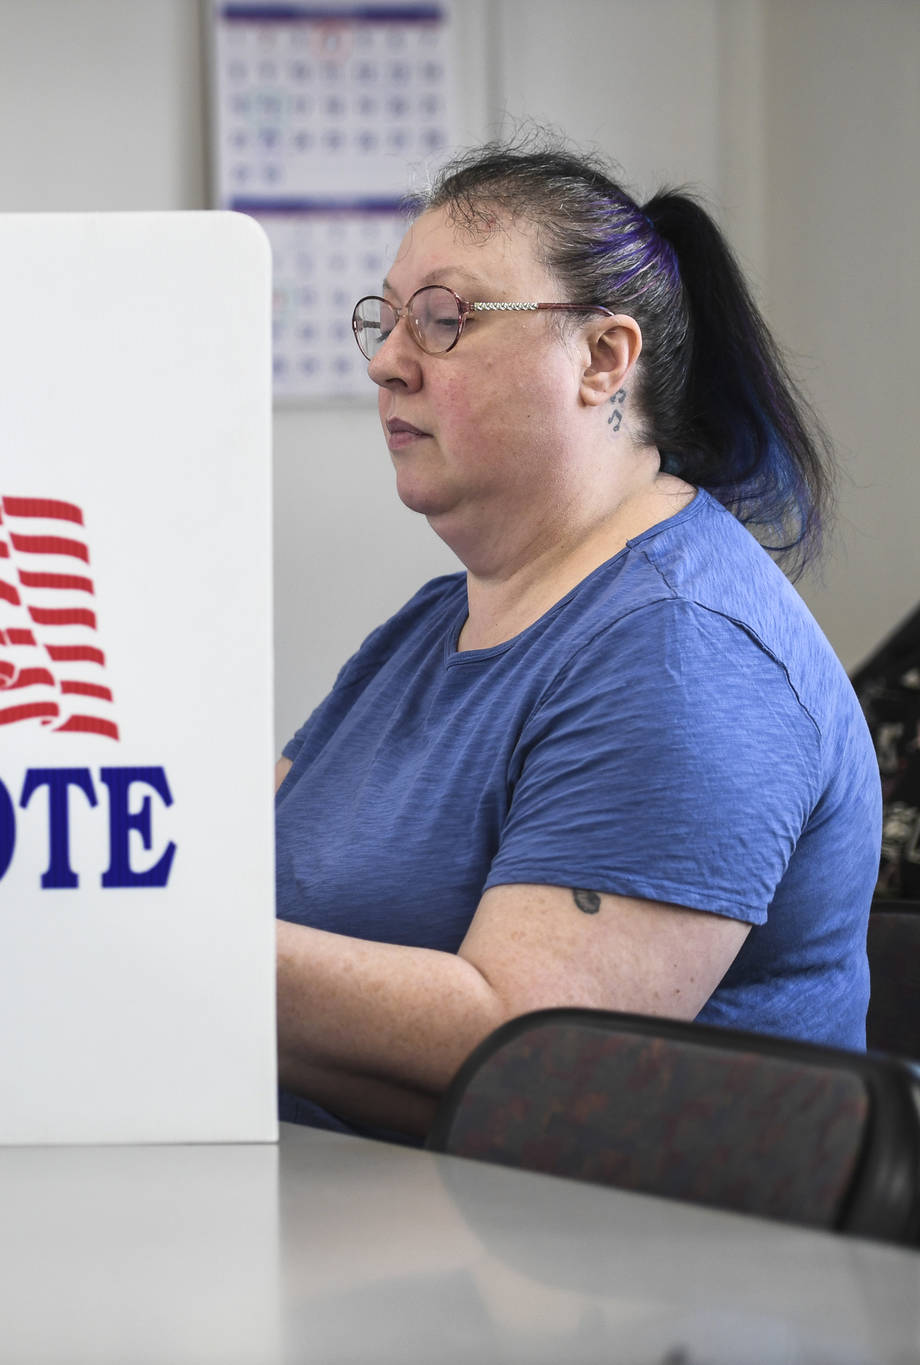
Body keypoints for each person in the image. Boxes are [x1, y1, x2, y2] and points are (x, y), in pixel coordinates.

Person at [274, 138, 880, 1141]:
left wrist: (186, 955)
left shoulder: (685, 650)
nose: (386, 361)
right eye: (386, 321)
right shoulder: (428, 626)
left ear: (603, 359)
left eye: (443, 319)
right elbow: (220, 863)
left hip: (598, 1278)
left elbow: (535, 1060)